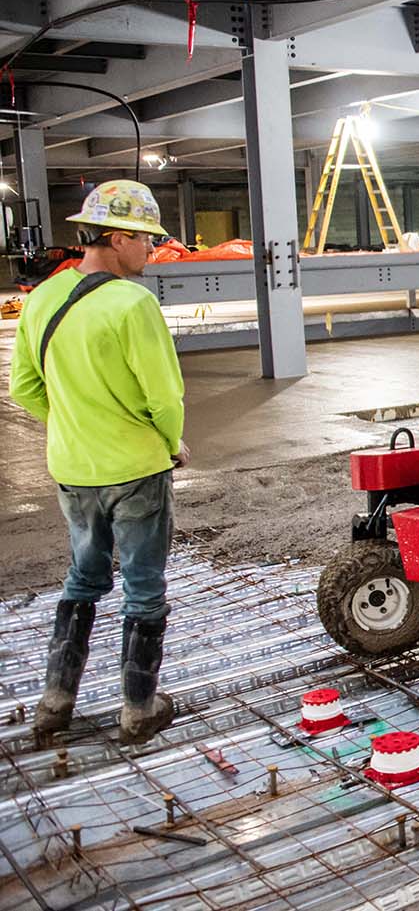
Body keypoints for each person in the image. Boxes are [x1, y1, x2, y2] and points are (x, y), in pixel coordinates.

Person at [8, 180, 186, 745]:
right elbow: (164, 398)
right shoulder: (134, 303)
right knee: (142, 586)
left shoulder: (41, 298)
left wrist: (75, 423)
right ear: (116, 237)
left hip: (72, 467)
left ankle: (55, 702)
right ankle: (138, 708)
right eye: (147, 240)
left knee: (83, 579)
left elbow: (25, 388)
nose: (154, 251)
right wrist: (170, 442)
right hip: (135, 467)